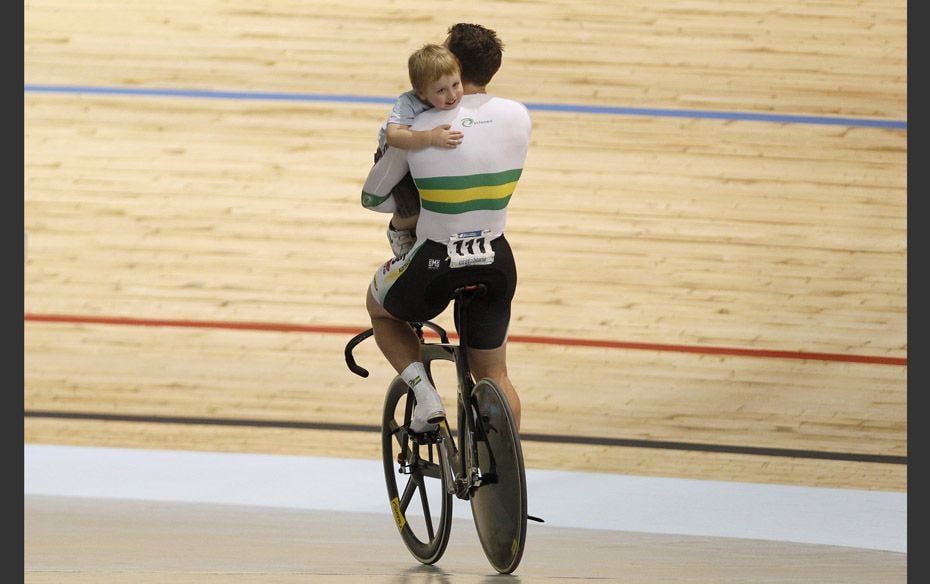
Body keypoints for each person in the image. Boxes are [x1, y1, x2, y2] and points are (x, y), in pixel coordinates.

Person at [361, 23, 531, 433]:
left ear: (452, 61)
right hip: (497, 258)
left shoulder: (421, 131)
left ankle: (425, 396)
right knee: (494, 374)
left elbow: (374, 198)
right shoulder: (518, 115)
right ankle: (504, 471)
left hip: (436, 259)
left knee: (380, 309)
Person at [374, 44, 465, 258]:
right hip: (396, 161)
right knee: (412, 209)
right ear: (421, 93)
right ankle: (398, 230)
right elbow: (394, 136)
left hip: (423, 157)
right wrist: (431, 137)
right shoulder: (408, 102)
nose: (452, 95)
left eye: (456, 84)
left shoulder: (456, 97)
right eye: (441, 90)